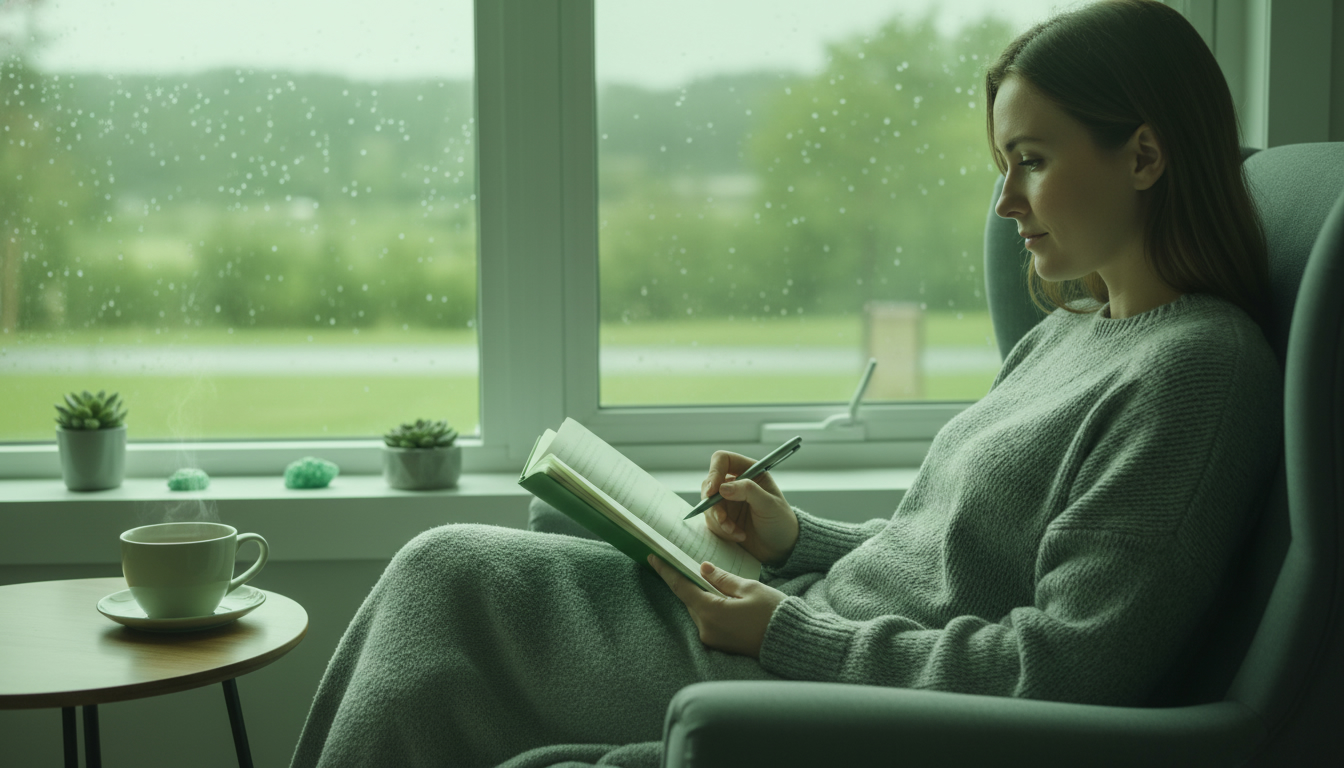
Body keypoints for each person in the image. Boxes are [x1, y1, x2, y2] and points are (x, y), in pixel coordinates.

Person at [289, 1, 1282, 766]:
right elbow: (944, 559)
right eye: (1001, 163)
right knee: (445, 571)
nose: (1003, 200)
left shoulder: (1196, 369)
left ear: (1144, 154)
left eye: (1030, 160)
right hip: (802, 619)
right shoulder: (1069, 334)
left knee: (449, 581)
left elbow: (1067, 670)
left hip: (809, 675)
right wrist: (794, 536)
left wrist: (789, 637)